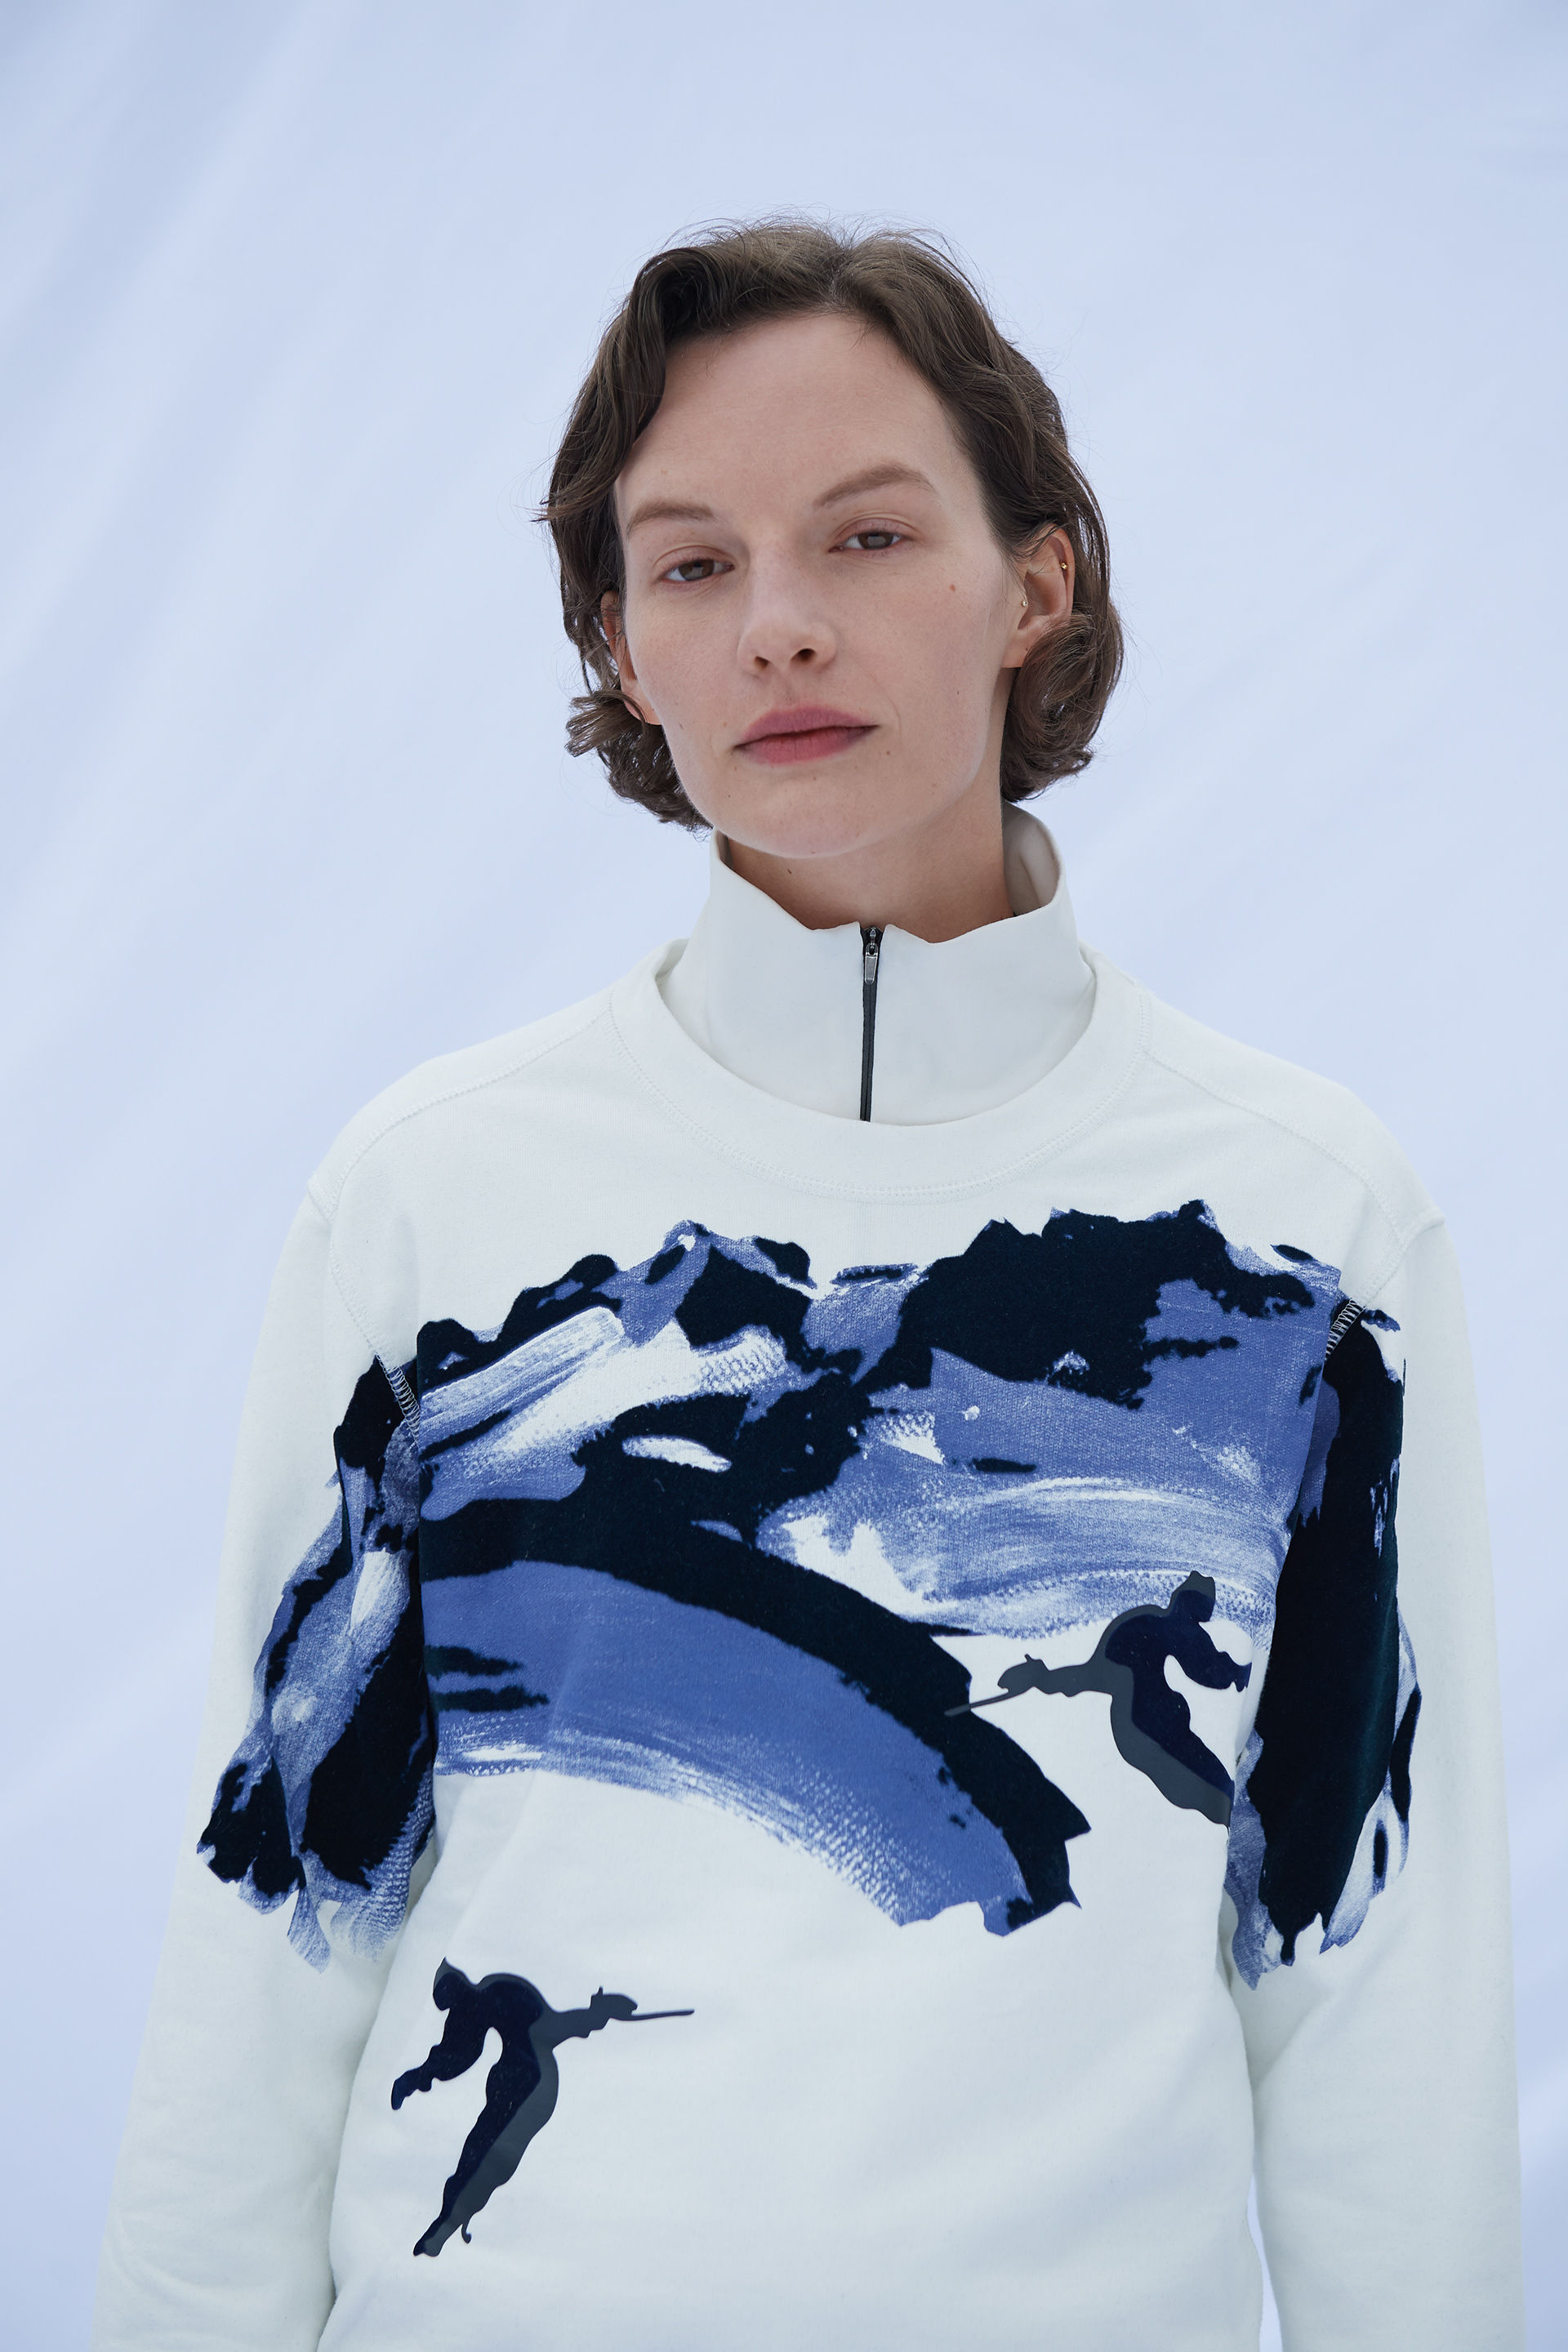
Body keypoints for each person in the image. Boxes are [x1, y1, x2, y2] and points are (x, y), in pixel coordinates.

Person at [92, 220, 1523, 2350]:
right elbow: (279, 1928)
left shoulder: (1305, 1232)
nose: (779, 624)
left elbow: (1374, 1986)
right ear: (619, 642)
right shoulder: (435, 1198)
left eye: (867, 535)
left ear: (1036, 582)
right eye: (692, 564)